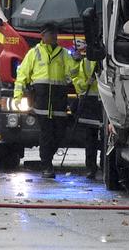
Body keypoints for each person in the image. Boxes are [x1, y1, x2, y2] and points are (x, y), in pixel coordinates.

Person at [14, 22, 76, 178]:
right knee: (46, 134)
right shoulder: (34, 53)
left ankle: (46, 159)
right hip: (41, 104)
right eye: (51, 34)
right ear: (43, 36)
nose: (54, 37)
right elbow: (22, 75)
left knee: (60, 134)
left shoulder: (63, 54)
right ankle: (46, 165)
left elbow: (74, 72)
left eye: (55, 34)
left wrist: (77, 61)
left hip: (58, 102)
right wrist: (18, 96)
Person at [71, 40, 103, 179]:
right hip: (89, 102)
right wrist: (86, 83)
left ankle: (103, 165)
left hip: (103, 102)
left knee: (104, 139)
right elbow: (76, 82)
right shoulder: (84, 63)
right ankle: (91, 167)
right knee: (90, 139)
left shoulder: (103, 60)